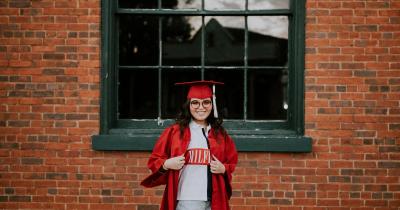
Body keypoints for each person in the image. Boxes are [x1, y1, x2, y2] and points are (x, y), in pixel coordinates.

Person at [141, 80, 238, 210]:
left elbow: (231, 161)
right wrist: (167, 164)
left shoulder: (220, 134)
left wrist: (223, 168)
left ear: (212, 104)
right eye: (195, 102)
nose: (201, 107)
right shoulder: (174, 132)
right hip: (188, 198)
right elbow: (154, 161)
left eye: (206, 102)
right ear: (188, 105)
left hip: (215, 198)